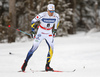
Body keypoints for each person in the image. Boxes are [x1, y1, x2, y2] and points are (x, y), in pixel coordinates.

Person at [21, 4, 60, 72]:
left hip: (49, 33)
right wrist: (33, 31)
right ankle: (25, 63)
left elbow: (57, 22)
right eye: (50, 11)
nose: (51, 13)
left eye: (53, 11)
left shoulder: (56, 15)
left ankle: (47, 66)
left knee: (51, 49)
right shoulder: (42, 15)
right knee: (34, 48)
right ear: (47, 10)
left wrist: (55, 30)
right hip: (41, 32)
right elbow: (33, 21)